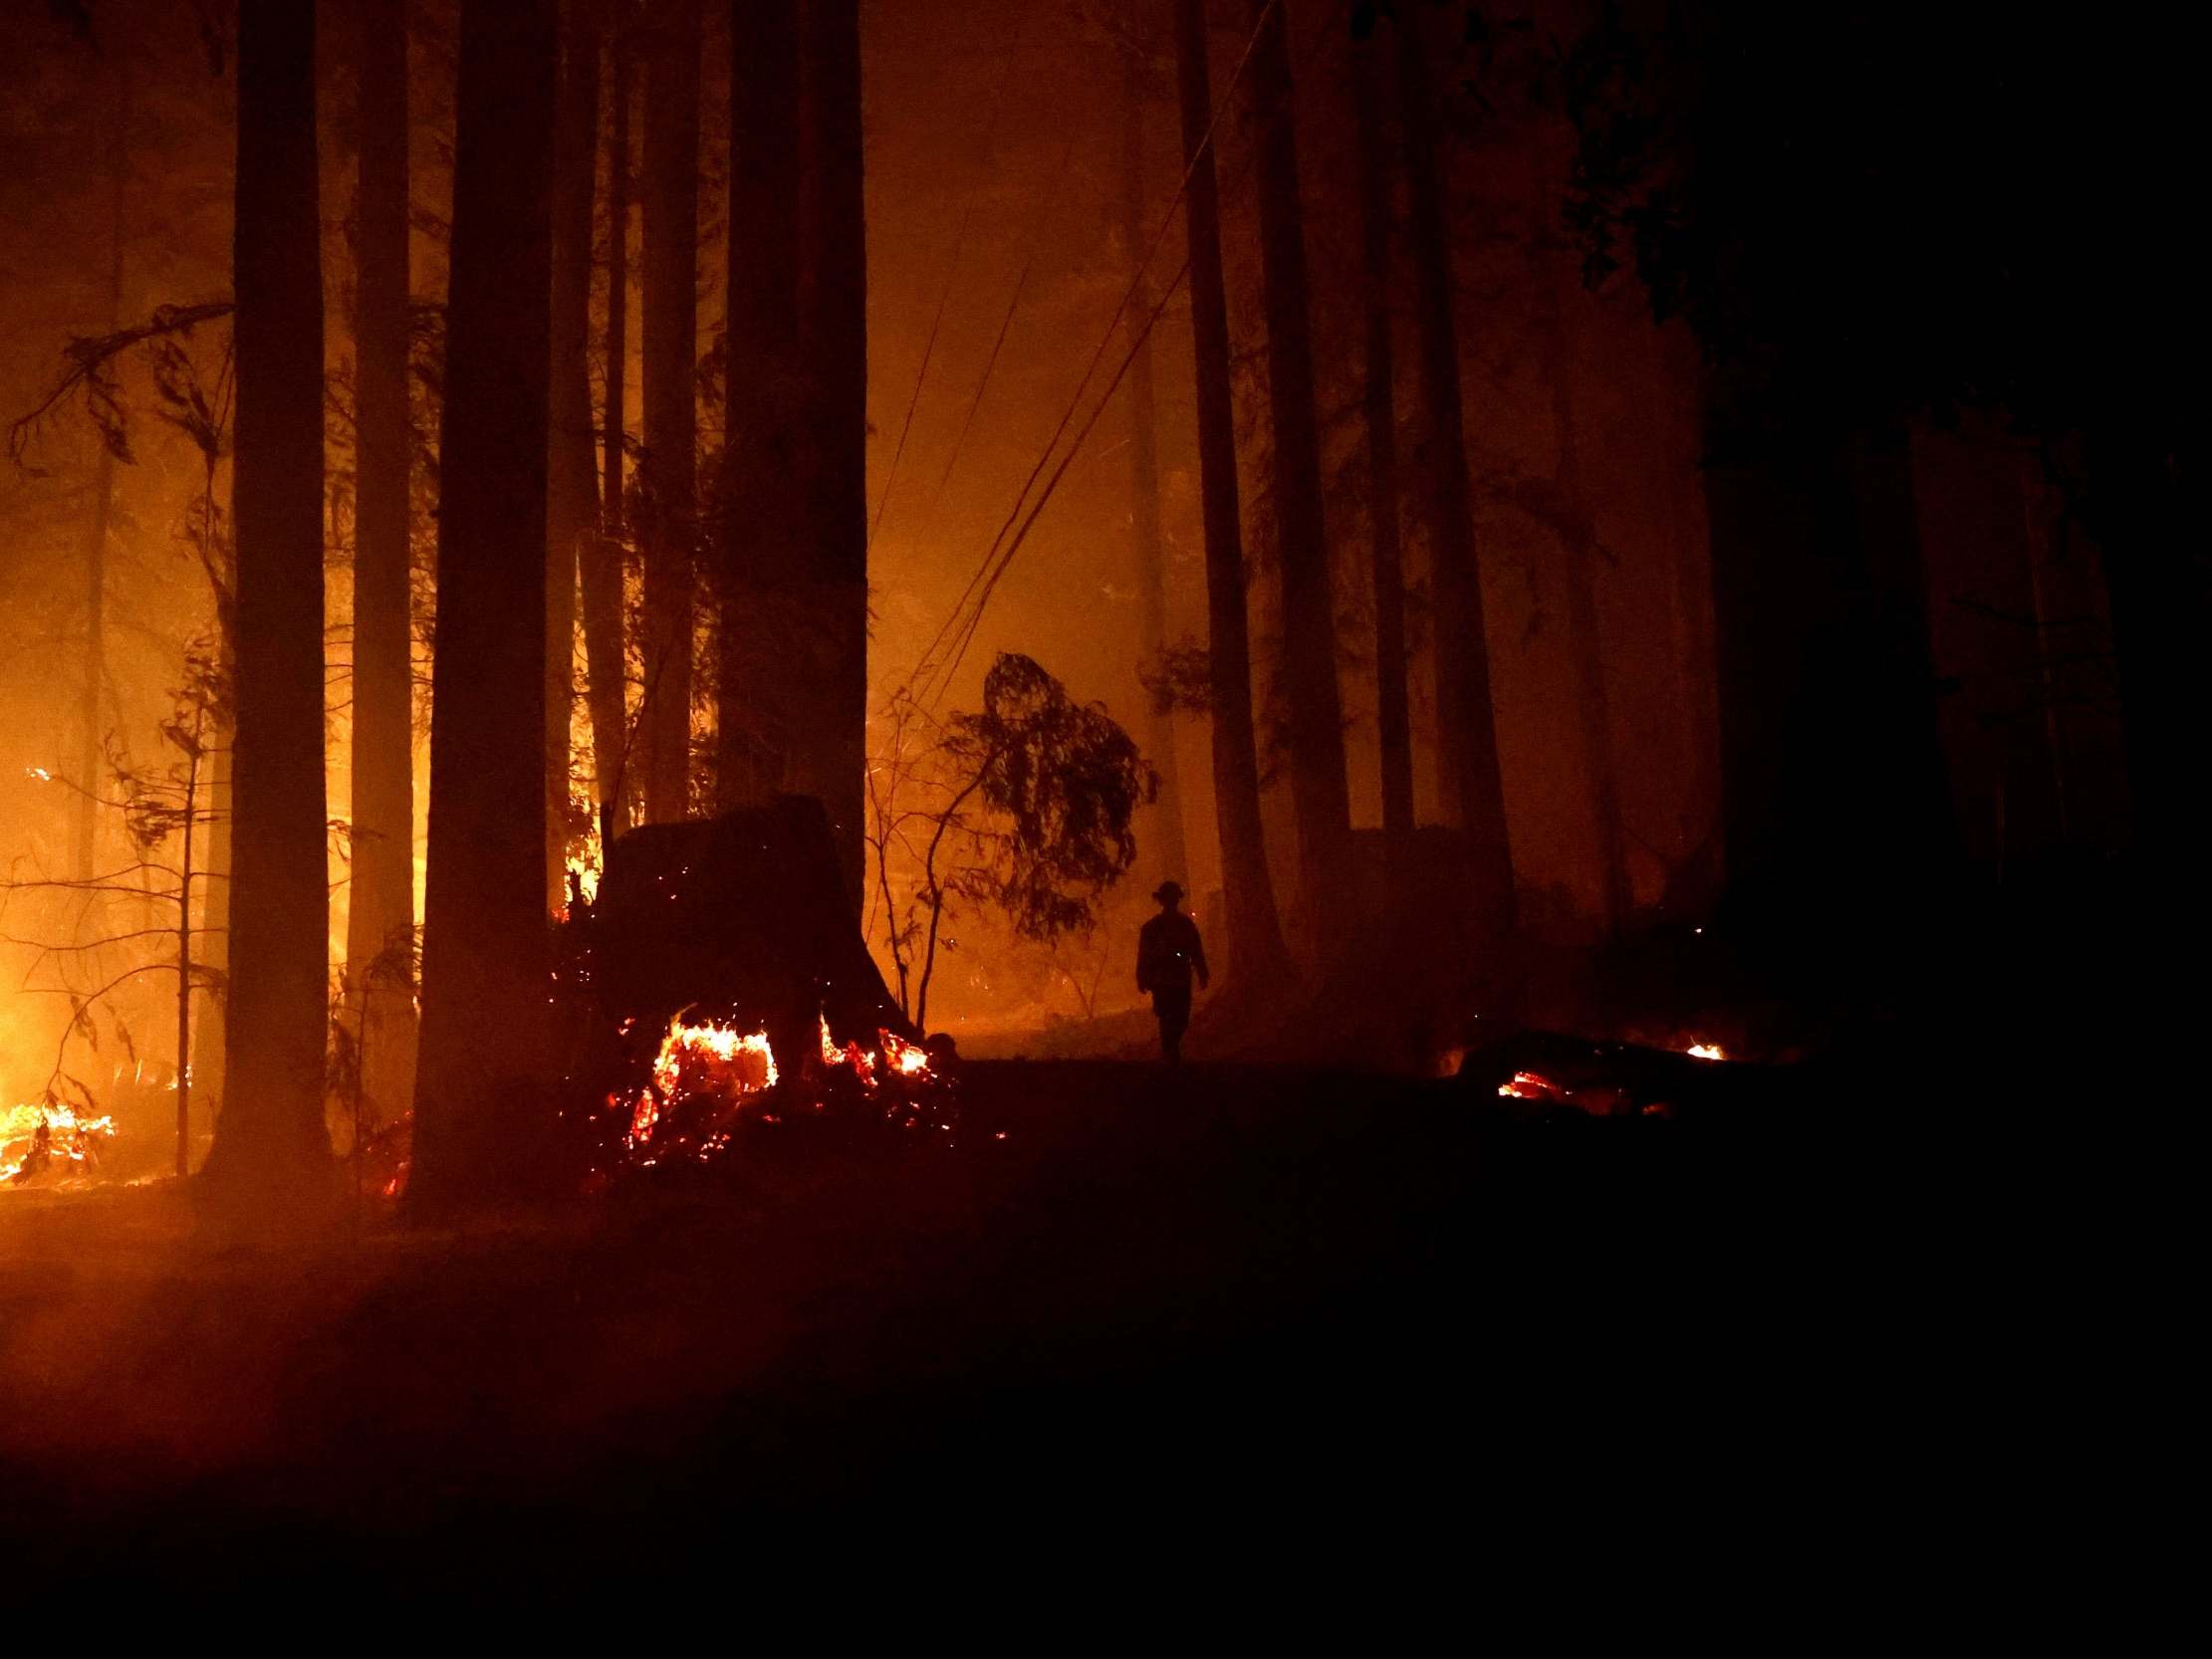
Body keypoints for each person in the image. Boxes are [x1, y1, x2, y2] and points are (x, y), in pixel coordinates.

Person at [1136, 880, 1208, 1063]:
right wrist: (1142, 977)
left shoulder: (1182, 925)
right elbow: (1144, 955)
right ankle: (1170, 1052)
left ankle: (1170, 1050)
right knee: (1169, 1016)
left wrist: (1202, 971)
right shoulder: (1154, 928)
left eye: (1173, 898)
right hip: (1167, 980)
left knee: (1177, 1018)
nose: (1171, 902)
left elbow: (1195, 949)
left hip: (1174, 979)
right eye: (1170, 898)